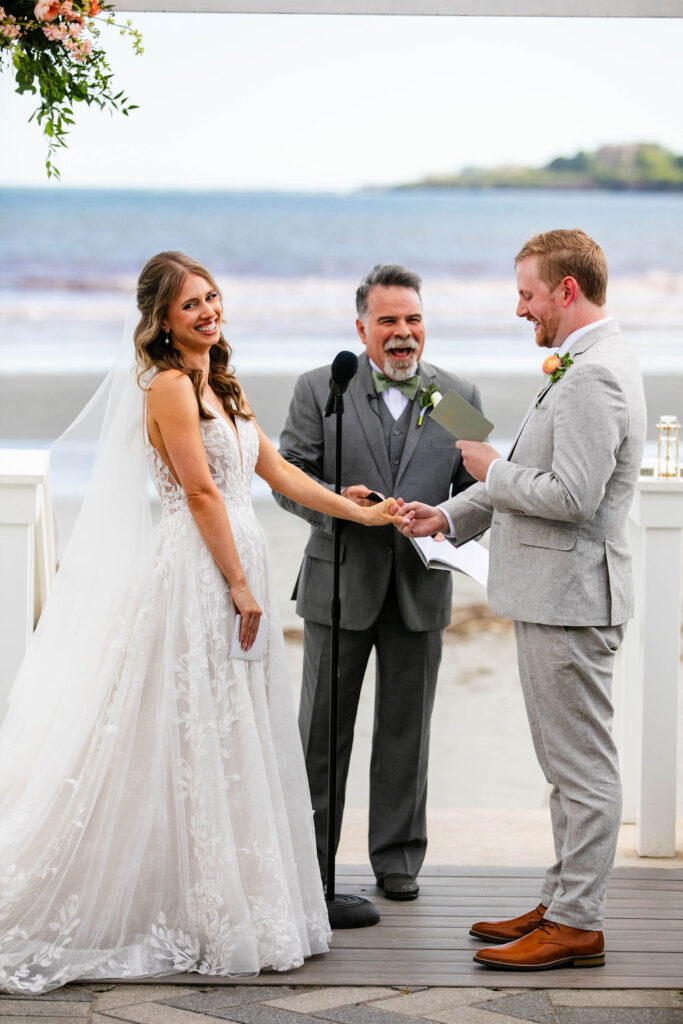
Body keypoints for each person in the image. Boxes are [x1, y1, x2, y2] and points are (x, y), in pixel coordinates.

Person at [0, 251, 401, 995]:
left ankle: (226, 899)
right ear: (161, 319)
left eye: (212, 297)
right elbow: (201, 494)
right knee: (180, 726)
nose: (208, 312)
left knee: (226, 730)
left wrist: (358, 510)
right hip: (199, 572)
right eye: (191, 305)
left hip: (230, 565)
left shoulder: (216, 381)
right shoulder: (169, 388)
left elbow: (272, 472)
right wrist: (241, 585)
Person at [398, 230, 646, 969]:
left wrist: (490, 466)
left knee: (581, 768)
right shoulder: (583, 365)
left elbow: (569, 496)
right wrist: (448, 515)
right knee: (562, 764)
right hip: (554, 594)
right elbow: (533, 477)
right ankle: (562, 899)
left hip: (572, 597)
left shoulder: (595, 375)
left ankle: (577, 923)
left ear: (565, 291)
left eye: (526, 294)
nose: (518, 308)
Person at [274, 264, 482, 900]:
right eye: (387, 321)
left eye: (413, 320)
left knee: (406, 731)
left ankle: (397, 862)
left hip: (422, 592)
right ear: (361, 327)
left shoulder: (456, 393)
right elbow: (288, 476)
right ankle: (313, 862)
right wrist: (342, 500)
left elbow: (481, 489)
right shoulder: (320, 387)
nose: (402, 334)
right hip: (337, 585)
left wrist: (448, 523)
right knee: (320, 732)